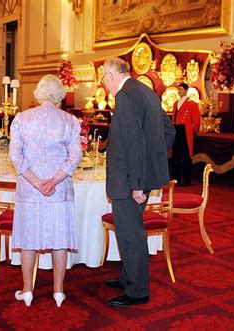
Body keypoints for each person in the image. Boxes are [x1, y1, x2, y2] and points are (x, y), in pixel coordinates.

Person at [100, 58, 175, 307]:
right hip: (140, 176)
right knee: (130, 230)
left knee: (131, 234)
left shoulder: (125, 96)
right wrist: (152, 164)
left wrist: (137, 183)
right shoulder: (145, 91)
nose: (103, 84)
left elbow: (132, 142)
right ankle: (128, 278)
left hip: (129, 180)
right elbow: (168, 131)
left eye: (102, 78)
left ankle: (137, 291)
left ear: (111, 76)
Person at [9, 74, 82, 307]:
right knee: (59, 240)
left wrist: (37, 182)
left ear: (39, 93)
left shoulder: (22, 119)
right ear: (60, 95)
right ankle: (58, 291)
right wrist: (54, 180)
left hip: (30, 190)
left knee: (29, 241)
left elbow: (15, 155)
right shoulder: (69, 121)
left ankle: (27, 290)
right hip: (59, 190)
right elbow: (75, 157)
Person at [171, 82, 201, 186]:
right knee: (176, 155)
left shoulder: (192, 104)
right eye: (178, 89)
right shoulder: (175, 103)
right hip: (176, 130)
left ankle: (187, 179)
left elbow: (196, 119)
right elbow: (174, 118)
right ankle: (176, 178)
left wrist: (194, 130)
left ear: (186, 90)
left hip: (185, 130)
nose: (179, 91)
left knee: (186, 156)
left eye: (181, 89)